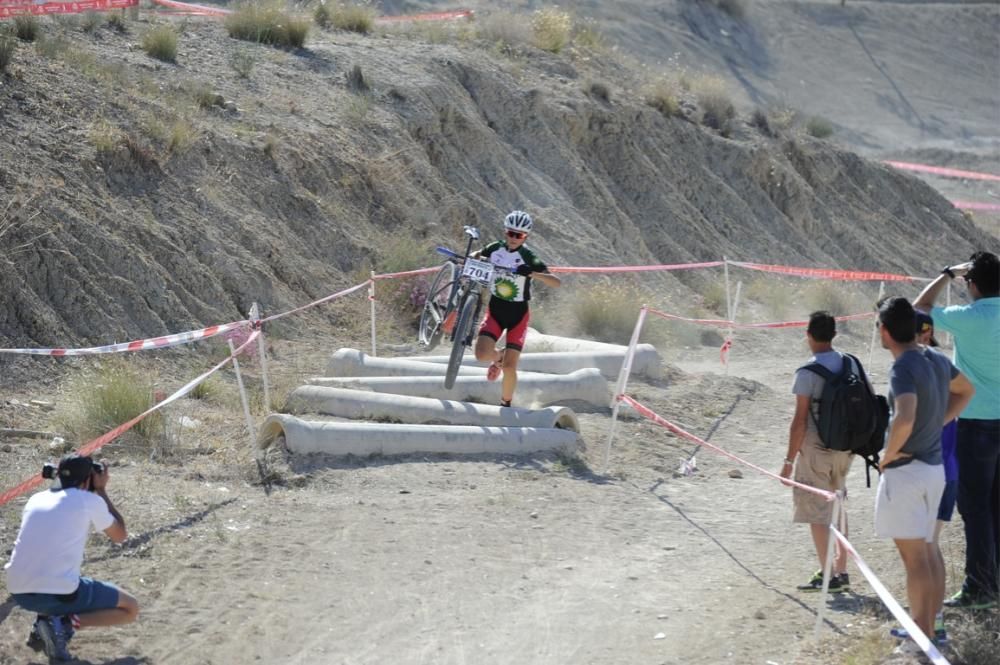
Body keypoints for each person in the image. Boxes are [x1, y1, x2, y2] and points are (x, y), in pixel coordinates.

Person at [875, 297, 974, 645]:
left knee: (915, 559)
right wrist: (937, 423)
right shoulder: (934, 356)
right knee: (928, 551)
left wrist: (888, 455)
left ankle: (920, 634)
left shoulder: (903, 366)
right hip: (933, 471)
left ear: (885, 331)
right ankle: (930, 630)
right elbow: (966, 390)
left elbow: (904, 415)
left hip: (908, 470)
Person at [913, 251, 1000, 610]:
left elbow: (919, 309)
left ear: (972, 284)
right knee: (995, 506)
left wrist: (947, 273)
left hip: (976, 421)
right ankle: (992, 583)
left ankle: (980, 588)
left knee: (976, 508)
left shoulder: (970, 316)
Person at [4, 454, 139, 662]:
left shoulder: (36, 499)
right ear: (88, 480)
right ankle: (65, 624)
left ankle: (45, 623)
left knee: (58, 574)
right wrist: (101, 490)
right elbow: (120, 536)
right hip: (60, 594)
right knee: (130, 608)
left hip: (19, 591)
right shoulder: (90, 500)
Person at [780, 311, 855, 592]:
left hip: (815, 448)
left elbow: (800, 420)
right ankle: (842, 569)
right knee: (837, 503)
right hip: (844, 448)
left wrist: (788, 461)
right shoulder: (850, 363)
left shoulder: (807, 372)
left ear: (808, 335)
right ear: (834, 335)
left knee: (816, 512)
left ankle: (828, 576)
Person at [473, 210, 561, 407]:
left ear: (526, 236)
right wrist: (470, 259)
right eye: (511, 233)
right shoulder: (495, 248)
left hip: (518, 317)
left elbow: (556, 282)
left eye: (519, 235)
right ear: (505, 232)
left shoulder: (529, 256)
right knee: (481, 355)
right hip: (495, 310)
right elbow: (475, 256)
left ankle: (506, 403)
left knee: (510, 368)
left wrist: (531, 273)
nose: (514, 238)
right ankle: (499, 356)